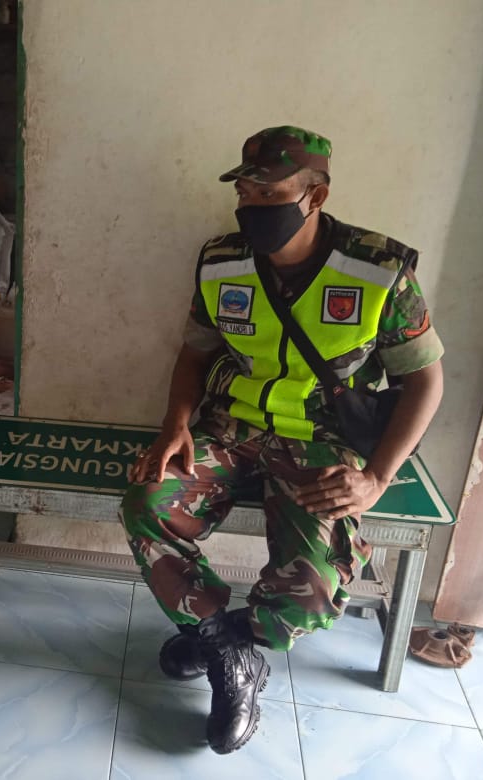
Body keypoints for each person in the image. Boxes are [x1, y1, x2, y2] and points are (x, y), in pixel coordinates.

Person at [119, 126, 444, 755]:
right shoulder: (222, 260)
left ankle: (228, 641)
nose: (251, 204)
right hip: (232, 426)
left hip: (324, 442)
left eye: (269, 192)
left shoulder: (379, 270)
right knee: (147, 501)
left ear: (315, 195)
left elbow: (425, 381)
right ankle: (229, 659)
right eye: (245, 190)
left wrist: (376, 477)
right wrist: (175, 425)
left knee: (314, 586)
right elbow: (194, 353)